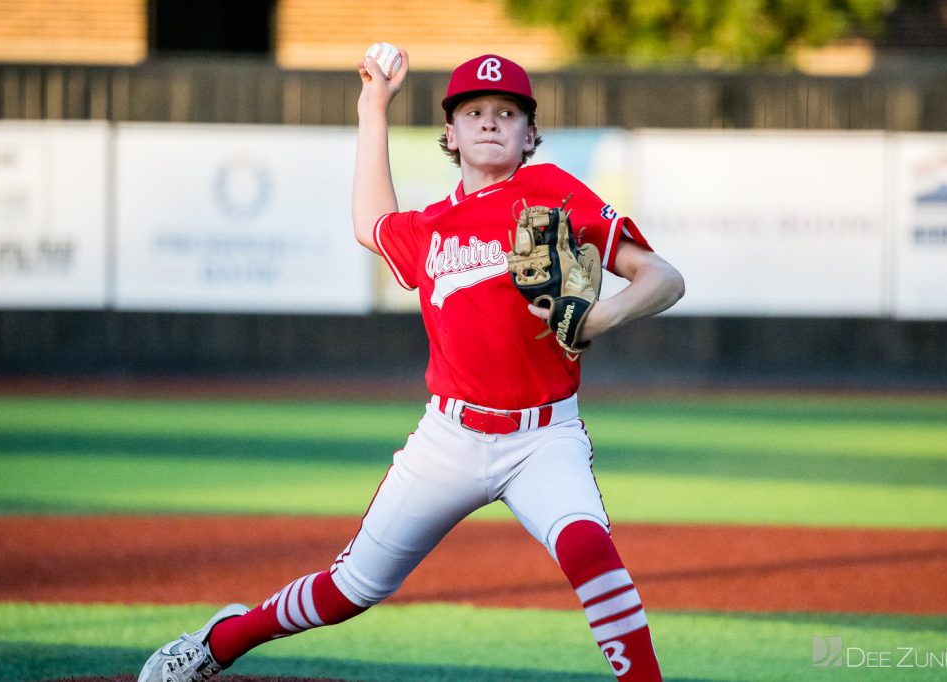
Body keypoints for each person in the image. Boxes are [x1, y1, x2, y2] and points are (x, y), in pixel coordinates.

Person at [138, 48, 684, 682]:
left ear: (530, 134)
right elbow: (372, 223)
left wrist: (601, 316)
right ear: (448, 134)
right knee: (350, 590)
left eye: (506, 112)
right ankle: (220, 641)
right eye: (472, 111)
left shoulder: (552, 192)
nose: (488, 121)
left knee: (589, 547)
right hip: (449, 438)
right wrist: (374, 106)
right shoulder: (432, 227)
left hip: (544, 438)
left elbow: (664, 277)